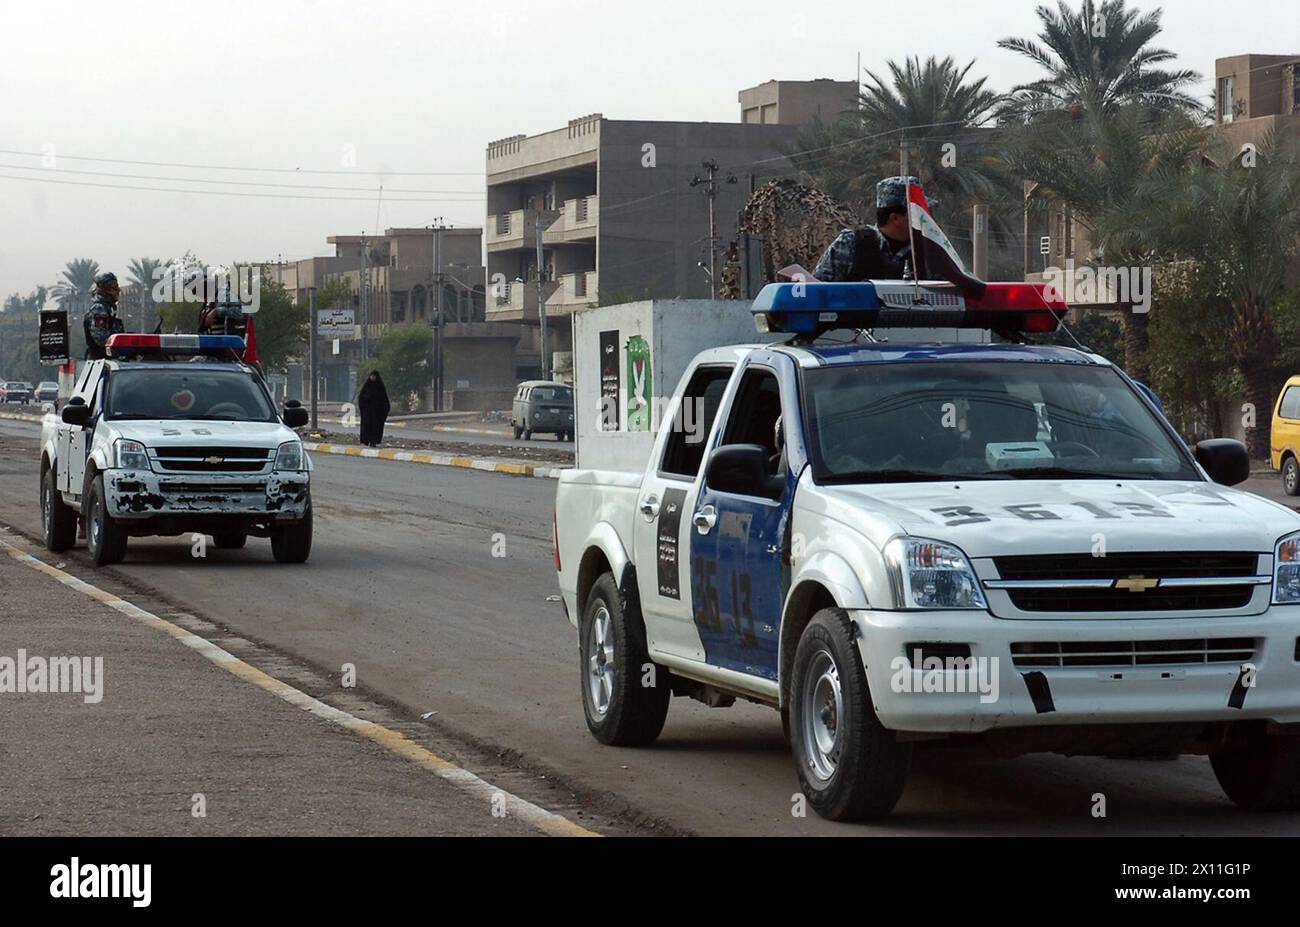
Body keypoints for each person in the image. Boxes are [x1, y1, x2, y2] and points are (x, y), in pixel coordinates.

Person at [813, 176, 986, 298]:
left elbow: (966, 288)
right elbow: (818, 292)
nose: (926, 218)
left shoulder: (931, 249)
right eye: (918, 212)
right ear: (895, 218)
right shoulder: (851, 244)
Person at [83, 271, 125, 359]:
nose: (118, 291)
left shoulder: (108, 309)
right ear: (105, 290)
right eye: (114, 288)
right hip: (101, 362)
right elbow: (101, 339)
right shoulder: (99, 309)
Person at [357, 370, 390, 447]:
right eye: (371, 376)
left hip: (377, 414)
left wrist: (383, 411)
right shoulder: (366, 386)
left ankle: (374, 441)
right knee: (367, 427)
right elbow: (361, 398)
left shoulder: (380, 387)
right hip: (367, 413)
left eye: (374, 376)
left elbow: (384, 401)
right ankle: (366, 441)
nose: (372, 378)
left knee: (376, 427)